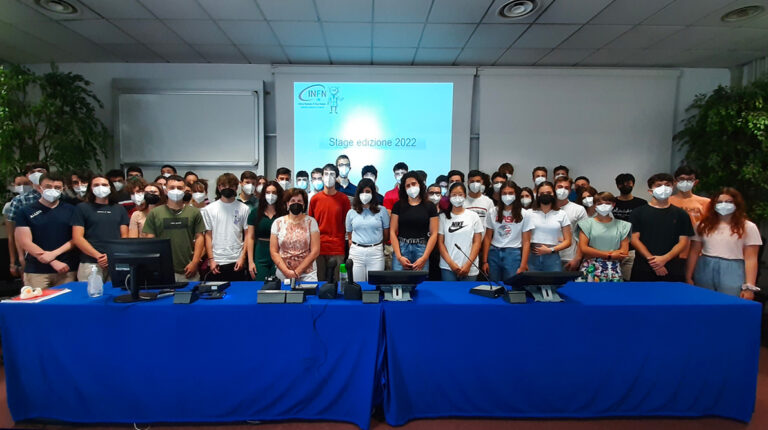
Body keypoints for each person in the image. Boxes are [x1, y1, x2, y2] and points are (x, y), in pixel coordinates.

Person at [686, 188, 762, 299]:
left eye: (729, 202)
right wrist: (688, 275)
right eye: (719, 202)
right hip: (705, 266)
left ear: (736, 204)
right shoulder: (702, 225)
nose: (724, 205)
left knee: (729, 302)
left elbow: (751, 258)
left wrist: (749, 287)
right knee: (703, 300)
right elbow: (694, 252)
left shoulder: (749, 227)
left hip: (733, 268)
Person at [14, 172, 78, 288]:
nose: (53, 190)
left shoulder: (72, 210)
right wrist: (52, 261)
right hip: (36, 271)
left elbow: (76, 238)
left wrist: (54, 254)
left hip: (66, 269)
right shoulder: (25, 211)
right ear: (39, 188)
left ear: (63, 189)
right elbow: (25, 242)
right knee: (37, 300)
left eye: (57, 187)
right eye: (48, 187)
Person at [630, 173, 694, 282]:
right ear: (650, 191)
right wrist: (654, 263)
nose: (663, 188)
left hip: (672, 268)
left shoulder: (681, 214)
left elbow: (683, 242)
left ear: (672, 188)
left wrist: (665, 259)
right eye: (658, 185)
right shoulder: (637, 213)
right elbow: (634, 239)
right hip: (643, 267)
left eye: (667, 185)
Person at [143, 175, 206, 282]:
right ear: (166, 190)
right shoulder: (155, 213)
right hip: (162, 270)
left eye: (180, 188)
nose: (176, 190)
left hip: (188, 269)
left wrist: (195, 262)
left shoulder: (194, 212)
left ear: (185, 190)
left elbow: (199, 237)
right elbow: (150, 240)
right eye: (172, 187)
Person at [71, 175, 129, 281]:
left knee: (117, 290)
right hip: (90, 262)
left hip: (115, 261)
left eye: (104, 185)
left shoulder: (120, 209)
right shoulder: (82, 208)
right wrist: (98, 256)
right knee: (90, 291)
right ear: (91, 188)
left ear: (110, 188)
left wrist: (111, 256)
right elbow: (77, 238)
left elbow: (124, 236)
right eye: (96, 185)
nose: (100, 187)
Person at [201, 173, 250, 282]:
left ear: (236, 187)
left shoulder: (244, 208)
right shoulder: (209, 209)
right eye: (224, 186)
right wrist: (211, 259)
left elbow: (248, 234)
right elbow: (208, 235)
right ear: (219, 187)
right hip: (217, 261)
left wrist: (242, 258)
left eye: (231, 186)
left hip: (236, 260)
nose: (227, 188)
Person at [482, 180, 532, 282]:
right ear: (500, 195)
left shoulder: (525, 214)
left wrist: (523, 264)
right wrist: (484, 261)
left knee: (511, 285)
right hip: (494, 253)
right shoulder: (492, 212)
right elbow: (487, 237)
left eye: (510, 193)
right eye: (504, 193)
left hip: (513, 253)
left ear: (516, 194)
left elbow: (526, 242)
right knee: (494, 285)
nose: (507, 196)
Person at [308, 164, 351, 281]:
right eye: (326, 174)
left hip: (337, 248)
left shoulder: (344, 199)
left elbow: (347, 224)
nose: (328, 177)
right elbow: (310, 225)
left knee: (337, 282)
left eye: (332, 174)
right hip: (319, 248)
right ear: (322, 176)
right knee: (320, 282)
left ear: (336, 177)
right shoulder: (315, 199)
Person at [577, 192, 631, 282]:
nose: (604, 206)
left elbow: (624, 251)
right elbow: (584, 248)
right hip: (591, 268)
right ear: (594, 205)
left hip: (613, 269)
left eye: (607, 203)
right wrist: (609, 255)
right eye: (599, 204)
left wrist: (596, 253)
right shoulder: (586, 224)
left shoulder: (623, 225)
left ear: (613, 205)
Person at [390, 171, 438, 272]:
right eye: (408, 185)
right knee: (398, 280)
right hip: (401, 248)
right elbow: (392, 232)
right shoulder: (398, 205)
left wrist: (424, 257)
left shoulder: (430, 206)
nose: (411, 187)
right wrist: (399, 257)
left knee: (420, 280)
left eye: (413, 184)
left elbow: (434, 233)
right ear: (404, 188)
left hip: (422, 249)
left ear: (420, 184)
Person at [270, 188, 320, 281]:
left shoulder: (311, 222)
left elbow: (315, 251)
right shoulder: (278, 223)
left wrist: (298, 272)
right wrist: (287, 272)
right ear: (287, 204)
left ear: (304, 204)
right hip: (283, 272)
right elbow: (274, 251)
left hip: (307, 274)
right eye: (292, 201)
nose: (296, 203)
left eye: (299, 201)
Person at [345, 178, 389, 282]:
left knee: (375, 285)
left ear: (373, 193)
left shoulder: (382, 211)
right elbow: (349, 234)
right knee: (356, 284)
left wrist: (378, 245)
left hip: (376, 253)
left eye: (367, 191)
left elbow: (386, 234)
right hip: (356, 253)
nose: (364, 194)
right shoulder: (351, 212)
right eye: (362, 191)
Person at [438, 182, 483, 281]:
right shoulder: (443, 217)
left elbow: (477, 242)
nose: (457, 197)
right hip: (448, 267)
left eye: (460, 194)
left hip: (470, 267)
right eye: (454, 195)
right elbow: (440, 243)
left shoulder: (473, 216)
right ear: (449, 196)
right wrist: (451, 264)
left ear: (465, 196)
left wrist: (468, 265)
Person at [527, 181, 572, 272]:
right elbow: (524, 238)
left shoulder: (562, 214)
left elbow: (568, 241)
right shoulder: (528, 213)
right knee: (531, 281)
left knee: (553, 281)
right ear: (537, 195)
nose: (545, 195)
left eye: (548, 193)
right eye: (542, 193)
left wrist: (550, 250)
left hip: (552, 257)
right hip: (532, 255)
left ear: (554, 194)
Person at [669, 165, 711, 260]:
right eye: (682, 179)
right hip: (671, 251)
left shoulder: (706, 203)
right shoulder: (666, 201)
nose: (685, 182)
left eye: (689, 179)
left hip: (698, 251)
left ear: (695, 182)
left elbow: (710, 227)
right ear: (675, 181)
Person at [246, 181, 286, 280]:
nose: (271, 195)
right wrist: (250, 262)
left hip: (280, 252)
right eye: (268, 192)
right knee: (260, 283)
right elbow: (250, 237)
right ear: (263, 194)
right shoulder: (254, 213)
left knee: (279, 283)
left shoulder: (284, 213)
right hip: (261, 253)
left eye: (274, 192)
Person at [612, 173, 647, 280]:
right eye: (621, 184)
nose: (625, 186)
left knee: (628, 280)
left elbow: (644, 225)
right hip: (612, 247)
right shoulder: (611, 202)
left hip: (633, 249)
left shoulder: (641, 203)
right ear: (617, 186)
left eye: (628, 183)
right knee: (612, 279)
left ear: (633, 184)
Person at [554, 176, 587, 271]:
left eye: (566, 188)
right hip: (547, 256)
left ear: (570, 191)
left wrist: (577, 258)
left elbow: (583, 236)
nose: (563, 190)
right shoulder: (546, 207)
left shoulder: (578, 209)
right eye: (560, 187)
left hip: (569, 258)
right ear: (554, 188)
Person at [4, 172, 33, 277]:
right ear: (13, 186)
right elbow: (11, 236)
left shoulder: (38, 200)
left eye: (26, 184)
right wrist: (13, 262)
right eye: (19, 184)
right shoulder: (10, 205)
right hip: (22, 252)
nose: (22, 187)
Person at [426, 182, 443, 280]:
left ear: (441, 195)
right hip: (423, 253)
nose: (434, 196)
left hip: (439, 255)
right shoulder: (421, 213)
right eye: (431, 193)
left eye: (437, 193)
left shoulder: (445, 215)